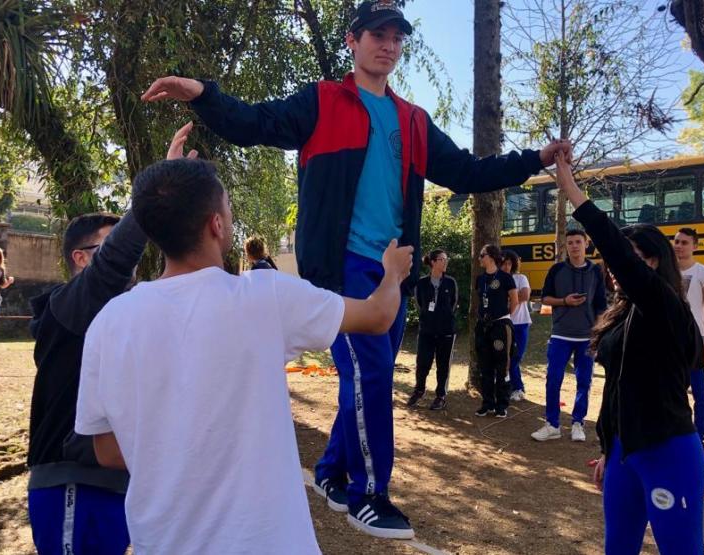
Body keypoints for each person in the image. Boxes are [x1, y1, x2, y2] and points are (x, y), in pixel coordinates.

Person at [141, 0, 572, 538]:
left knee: (361, 384)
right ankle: (370, 492)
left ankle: (329, 472)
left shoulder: (414, 119)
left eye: (396, 37)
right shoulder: (323, 101)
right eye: (377, 34)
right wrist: (201, 93)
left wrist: (535, 158)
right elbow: (256, 122)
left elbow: (466, 170)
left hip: (395, 270)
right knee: (369, 377)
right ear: (353, 39)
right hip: (340, 271)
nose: (388, 45)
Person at [75, 157, 413, 553]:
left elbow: (109, 451)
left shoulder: (109, 322)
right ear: (216, 225)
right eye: (228, 208)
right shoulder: (264, 297)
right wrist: (392, 273)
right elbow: (377, 316)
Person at [26, 123, 196, 554]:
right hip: (72, 485)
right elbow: (114, 265)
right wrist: (159, 190)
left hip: (121, 487)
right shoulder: (68, 308)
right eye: (110, 245)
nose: (130, 261)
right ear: (80, 258)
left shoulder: (130, 316)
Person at [554, 153, 704, 554]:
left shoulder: (665, 305)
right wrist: (610, 446)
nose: (616, 269)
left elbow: (616, 251)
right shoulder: (620, 314)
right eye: (617, 263)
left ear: (654, 263)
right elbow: (618, 385)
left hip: (668, 450)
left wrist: (570, 188)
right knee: (617, 548)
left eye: (633, 260)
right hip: (624, 452)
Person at [533, 229, 607, 442]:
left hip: (586, 336)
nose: (574, 246)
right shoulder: (556, 270)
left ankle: (578, 423)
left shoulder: (595, 271)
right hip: (561, 335)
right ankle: (552, 424)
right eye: (570, 243)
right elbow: (545, 299)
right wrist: (564, 301)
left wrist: (599, 332)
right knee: (553, 379)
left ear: (586, 244)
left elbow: (601, 304)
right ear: (566, 246)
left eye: (578, 242)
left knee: (584, 381)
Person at [674, 227, 704, 440]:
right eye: (677, 242)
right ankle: (676, 435)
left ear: (695, 246)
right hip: (670, 339)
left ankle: (699, 437)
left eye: (684, 242)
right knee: (673, 390)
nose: (679, 246)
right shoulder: (667, 270)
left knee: (699, 392)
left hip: (696, 339)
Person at [408, 249, 458, 410]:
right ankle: (419, 390)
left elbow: (453, 304)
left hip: (446, 331)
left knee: (443, 364)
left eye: (446, 259)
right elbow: (419, 304)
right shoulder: (422, 283)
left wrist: (443, 317)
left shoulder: (450, 282)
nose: (446, 262)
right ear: (433, 262)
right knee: (423, 362)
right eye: (442, 259)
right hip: (427, 330)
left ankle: (440, 396)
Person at [474, 244, 518, 418]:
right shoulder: (481, 279)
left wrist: (505, 317)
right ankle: (487, 404)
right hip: (483, 327)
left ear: (491, 257)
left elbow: (514, 300)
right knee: (485, 367)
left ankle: (502, 404)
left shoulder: (506, 278)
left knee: (502, 366)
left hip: (500, 326)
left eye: (481, 255)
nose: (479, 258)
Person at [501, 249, 531, 402]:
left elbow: (525, 295)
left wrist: (509, 298)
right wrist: (515, 296)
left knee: (516, 357)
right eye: (503, 264)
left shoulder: (520, 278)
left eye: (509, 263)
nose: (506, 267)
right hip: (504, 324)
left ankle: (517, 387)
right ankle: (515, 387)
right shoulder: (497, 280)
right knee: (505, 357)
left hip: (521, 323)